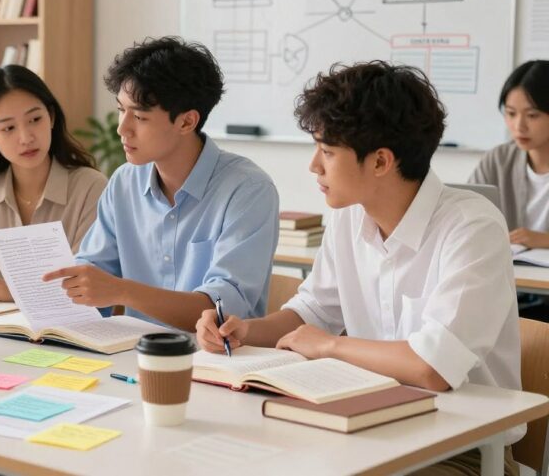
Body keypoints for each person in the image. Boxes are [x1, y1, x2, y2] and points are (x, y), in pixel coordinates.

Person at [197, 61, 521, 476]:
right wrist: (244, 330)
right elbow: (312, 312)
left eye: (328, 152)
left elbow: (432, 368)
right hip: (364, 424)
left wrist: (330, 346)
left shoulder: (472, 227)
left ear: (381, 162)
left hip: (463, 447)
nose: (314, 165)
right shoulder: (349, 217)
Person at [42, 36, 280, 330]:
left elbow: (219, 312)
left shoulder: (248, 190)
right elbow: (91, 276)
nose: (122, 129)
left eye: (139, 117)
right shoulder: (124, 183)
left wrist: (121, 290)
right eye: (121, 110)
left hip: (214, 361)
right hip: (131, 355)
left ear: (186, 122)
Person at [0, 64, 106, 301]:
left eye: (35, 119)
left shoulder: (91, 187)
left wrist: (15, 291)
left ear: (52, 117)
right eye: (8, 128)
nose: (26, 138)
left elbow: (87, 282)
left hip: (66, 333)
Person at [470, 60, 549, 249]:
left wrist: (545, 240)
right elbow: (463, 217)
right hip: (510, 272)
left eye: (532, 115)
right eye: (511, 113)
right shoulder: (498, 160)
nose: (519, 126)